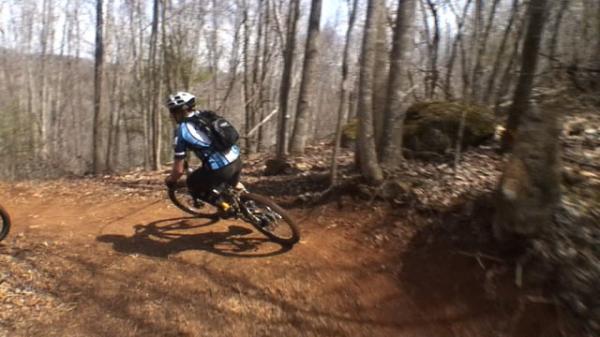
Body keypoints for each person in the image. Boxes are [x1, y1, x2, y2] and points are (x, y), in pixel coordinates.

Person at [164, 91, 242, 210]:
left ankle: (226, 207)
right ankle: (251, 203)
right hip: (237, 159)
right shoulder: (207, 115)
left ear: (177, 112)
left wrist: (171, 180)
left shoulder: (181, 131)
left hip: (221, 169)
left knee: (192, 183)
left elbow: (179, 171)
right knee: (232, 187)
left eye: (172, 111)